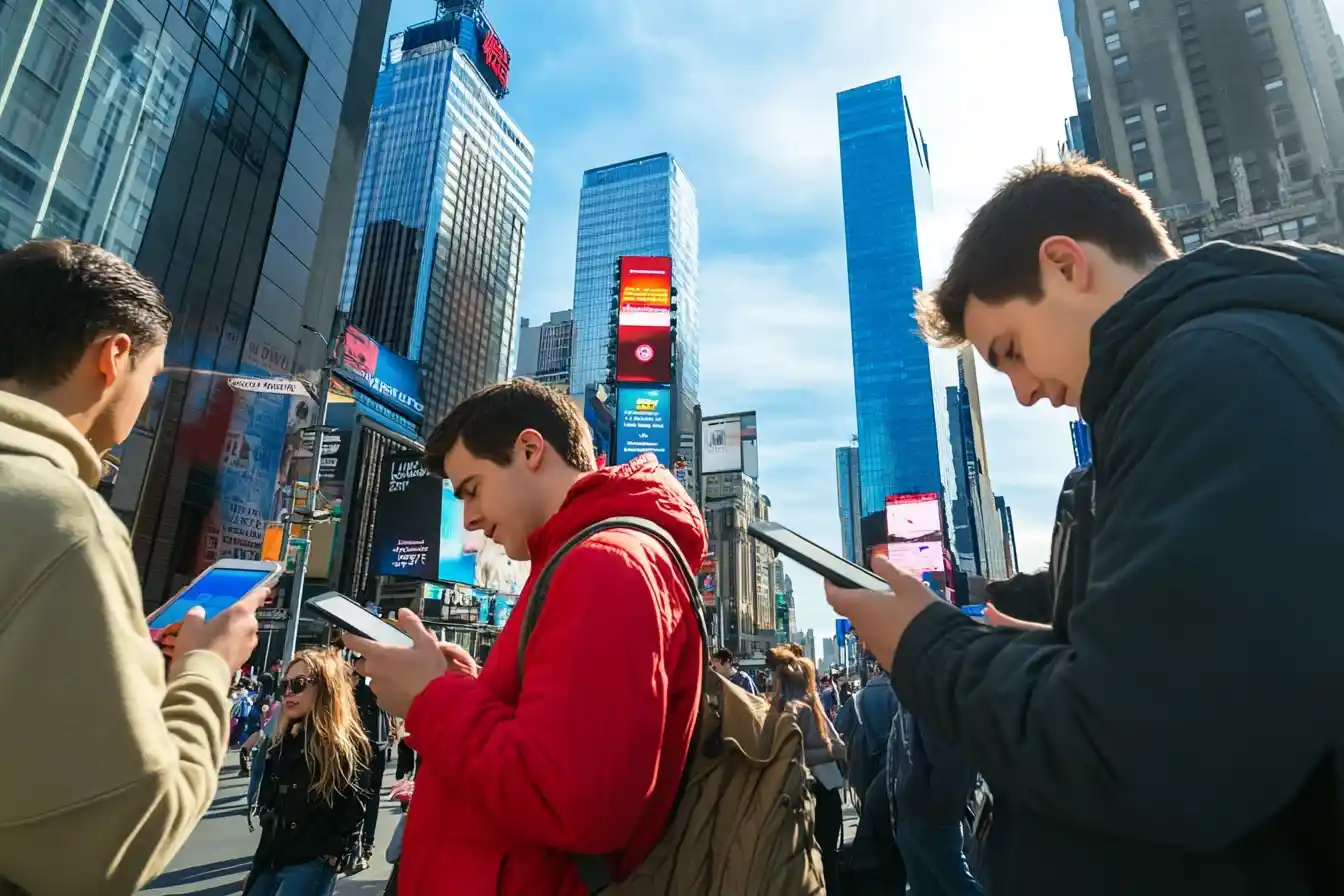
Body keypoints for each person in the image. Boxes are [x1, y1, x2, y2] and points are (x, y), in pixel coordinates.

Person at [826, 157, 1342, 894]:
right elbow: (1217, 682)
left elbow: (1153, 751)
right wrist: (1074, 646)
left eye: (1009, 350)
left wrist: (923, 645)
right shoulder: (1216, 370)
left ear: (1066, 265)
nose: (1025, 391)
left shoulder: (1221, 376)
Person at [345, 379, 706, 895]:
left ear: (531, 449)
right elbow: (555, 736)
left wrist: (433, 699)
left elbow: (573, 800)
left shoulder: (602, 564)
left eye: (471, 488)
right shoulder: (574, 557)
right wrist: (467, 687)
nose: (467, 517)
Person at [0, 239, 264, 893]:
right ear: (114, 357)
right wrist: (208, 666)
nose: (148, 393)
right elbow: (120, 839)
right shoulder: (65, 520)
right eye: (155, 373)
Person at [243, 648, 371, 896]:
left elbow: (353, 805)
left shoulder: (344, 744)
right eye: (285, 685)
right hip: (270, 855)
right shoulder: (281, 737)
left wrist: (332, 854)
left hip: (310, 860)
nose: (289, 693)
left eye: (299, 684)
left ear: (325, 687)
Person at [767, 647, 845, 888]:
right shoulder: (809, 704)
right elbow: (840, 749)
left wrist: (795, 754)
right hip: (819, 792)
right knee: (826, 862)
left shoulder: (775, 710)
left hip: (786, 798)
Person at [891, 705, 983, 896]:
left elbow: (951, 766)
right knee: (935, 885)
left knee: (959, 884)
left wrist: (942, 812)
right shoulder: (913, 695)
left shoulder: (927, 697)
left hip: (928, 814)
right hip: (915, 812)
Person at [352, 663, 390, 867]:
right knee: (370, 796)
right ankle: (366, 843)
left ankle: (359, 843)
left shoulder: (358, 691)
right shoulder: (380, 686)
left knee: (360, 795)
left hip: (364, 748)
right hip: (378, 746)